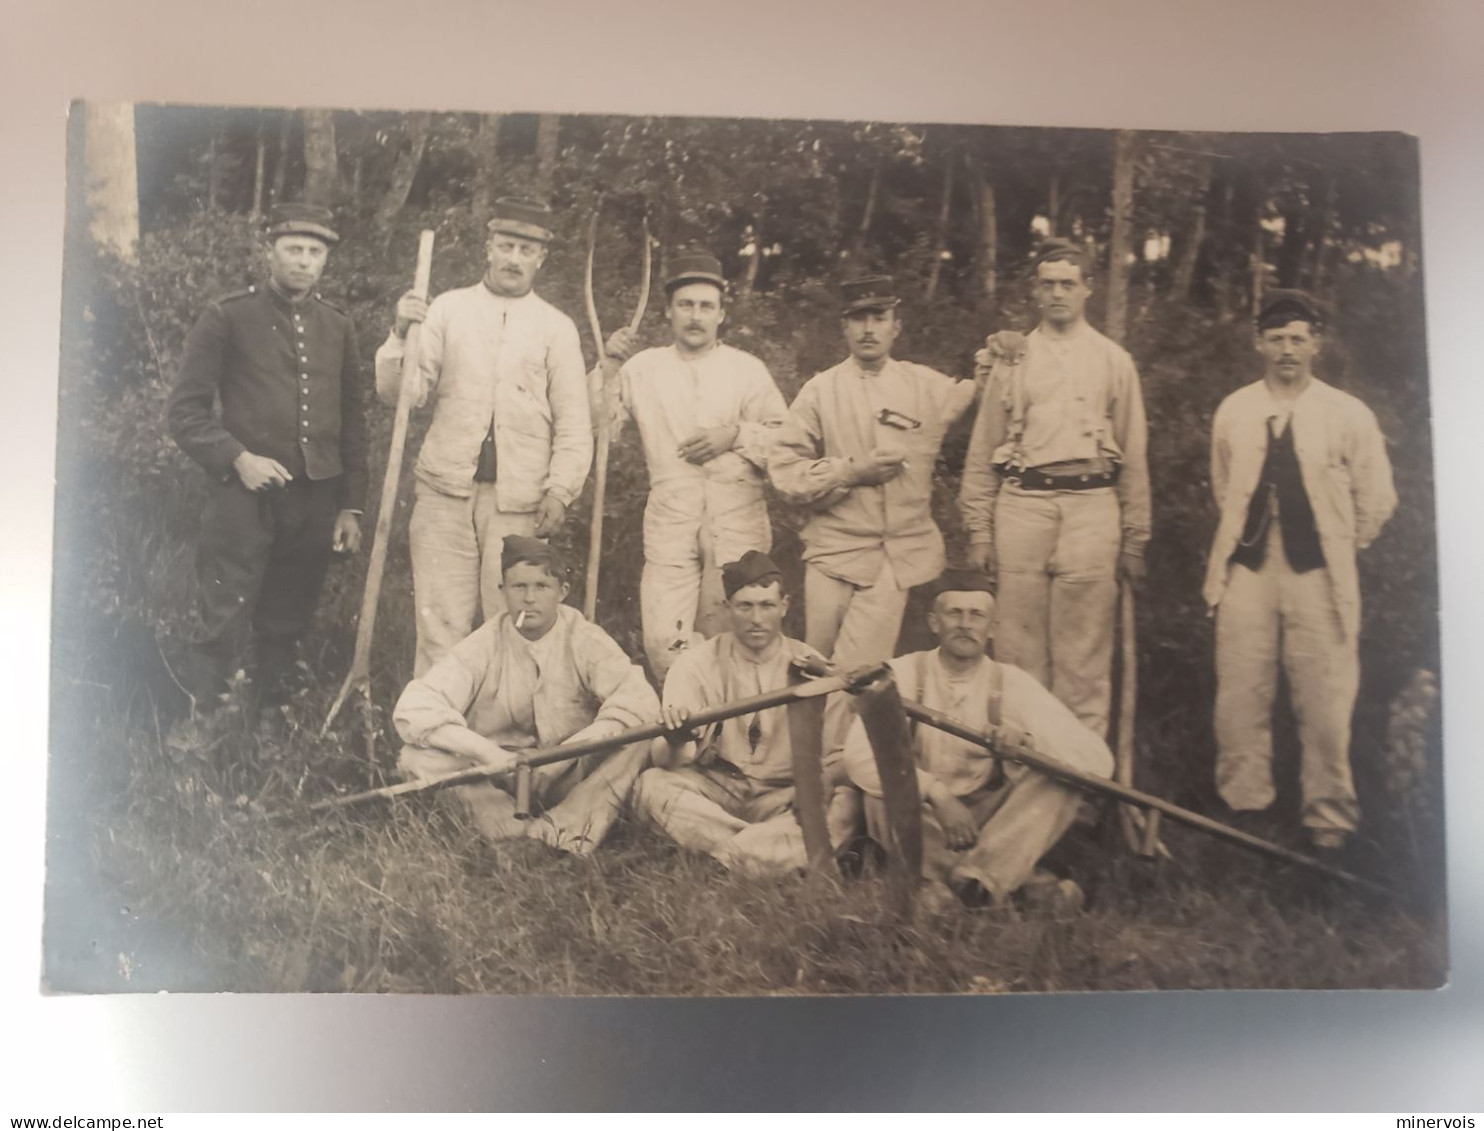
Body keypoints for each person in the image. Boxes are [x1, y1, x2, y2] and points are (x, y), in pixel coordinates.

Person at [1205, 289, 1396, 854]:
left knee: (1326, 698)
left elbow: (1377, 498)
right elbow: (1224, 487)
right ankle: (1244, 809)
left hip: (1320, 575)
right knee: (1240, 691)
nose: (1287, 349)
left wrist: (1339, 543)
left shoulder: (1347, 414)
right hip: (1247, 570)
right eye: (1276, 338)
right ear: (1258, 343)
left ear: (1317, 344)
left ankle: (1328, 820)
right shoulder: (1235, 410)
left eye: (1298, 339)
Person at [376, 198, 592, 676]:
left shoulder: (556, 327)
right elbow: (402, 393)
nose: (515, 258)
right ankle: (435, 735)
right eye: (506, 246)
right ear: (488, 249)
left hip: (519, 503)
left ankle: (505, 738)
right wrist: (399, 333)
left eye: (526, 249)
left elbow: (575, 419)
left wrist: (561, 489)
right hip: (443, 491)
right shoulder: (449, 310)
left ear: (542, 259)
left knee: (515, 622)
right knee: (440, 623)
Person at [166, 202, 366, 717]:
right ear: (269, 252)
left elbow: (353, 423)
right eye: (293, 249)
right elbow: (185, 413)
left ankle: (267, 725)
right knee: (224, 609)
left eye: (314, 252)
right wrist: (237, 459)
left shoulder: (338, 326)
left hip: (315, 497)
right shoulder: (228, 316)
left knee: (289, 614)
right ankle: (202, 725)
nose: (304, 261)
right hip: (243, 495)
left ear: (325, 260)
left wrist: (351, 506)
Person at [768, 275, 983, 748]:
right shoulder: (821, 390)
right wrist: (848, 470)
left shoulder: (924, 385)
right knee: (810, 666)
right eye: (859, 318)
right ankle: (788, 770)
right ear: (844, 327)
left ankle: (835, 775)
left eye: (879, 318)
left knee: (855, 676)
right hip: (831, 552)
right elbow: (783, 471)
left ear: (896, 326)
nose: (869, 329)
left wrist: (999, 355)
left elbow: (978, 393)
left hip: (892, 558)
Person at [958, 238, 1150, 742]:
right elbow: (983, 453)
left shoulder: (1113, 361)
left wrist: (1134, 538)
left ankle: (1081, 784)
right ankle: (1024, 770)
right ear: (1035, 291)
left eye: (1068, 283)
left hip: (1093, 509)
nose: (1058, 293)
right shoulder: (1014, 359)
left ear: (1088, 289)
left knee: (1083, 657)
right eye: (1048, 284)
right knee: (1019, 655)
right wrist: (979, 530)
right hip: (1022, 507)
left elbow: (1135, 455)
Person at [841, 569, 1114, 911]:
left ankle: (977, 884)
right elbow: (857, 757)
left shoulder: (1012, 682)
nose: (965, 624)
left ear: (992, 629)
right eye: (954, 613)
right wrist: (936, 793)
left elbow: (1097, 761)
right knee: (878, 791)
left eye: (977, 615)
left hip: (989, 828)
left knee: (1062, 782)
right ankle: (1006, 886)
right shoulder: (903, 673)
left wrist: (1027, 745)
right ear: (934, 623)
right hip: (925, 819)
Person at [392, 536, 659, 856]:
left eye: (541, 587)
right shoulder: (483, 644)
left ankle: (563, 836)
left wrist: (565, 755)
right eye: (518, 587)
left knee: (641, 741)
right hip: (500, 776)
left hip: (570, 771)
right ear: (502, 591)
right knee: (415, 757)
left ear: (562, 592)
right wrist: (492, 757)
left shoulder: (584, 637)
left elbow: (640, 701)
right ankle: (510, 834)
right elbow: (415, 706)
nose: (529, 599)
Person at [598, 251, 789, 679]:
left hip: (738, 516)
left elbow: (787, 442)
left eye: (706, 306)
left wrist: (736, 434)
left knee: (741, 634)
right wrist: (608, 363)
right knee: (665, 640)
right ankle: (688, 726)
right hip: (672, 516)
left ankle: (737, 736)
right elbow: (597, 425)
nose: (695, 316)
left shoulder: (748, 371)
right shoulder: (643, 368)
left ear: (721, 314)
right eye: (686, 305)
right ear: (668, 311)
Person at [631, 551, 861, 872]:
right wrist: (674, 739)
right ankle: (765, 854)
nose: (756, 619)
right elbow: (670, 761)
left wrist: (820, 786)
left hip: (785, 797)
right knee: (652, 786)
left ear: (784, 606)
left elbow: (838, 759)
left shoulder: (814, 669)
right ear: (728, 608)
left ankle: (724, 855)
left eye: (767, 606)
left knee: (848, 803)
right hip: (716, 790)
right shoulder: (696, 664)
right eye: (745, 606)